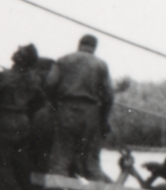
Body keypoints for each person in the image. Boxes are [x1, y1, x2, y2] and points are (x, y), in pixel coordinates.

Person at [44, 34, 115, 181]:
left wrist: (55, 103)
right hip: (91, 113)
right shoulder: (101, 64)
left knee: (60, 158)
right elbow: (108, 96)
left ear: (79, 44)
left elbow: (50, 84)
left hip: (67, 109)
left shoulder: (64, 60)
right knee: (91, 162)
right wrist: (104, 120)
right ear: (94, 47)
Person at [0, 44, 43, 190]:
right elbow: (39, 101)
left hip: (5, 118)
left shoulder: (4, 76)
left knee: (1, 163)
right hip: (23, 120)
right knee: (22, 163)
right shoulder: (34, 79)